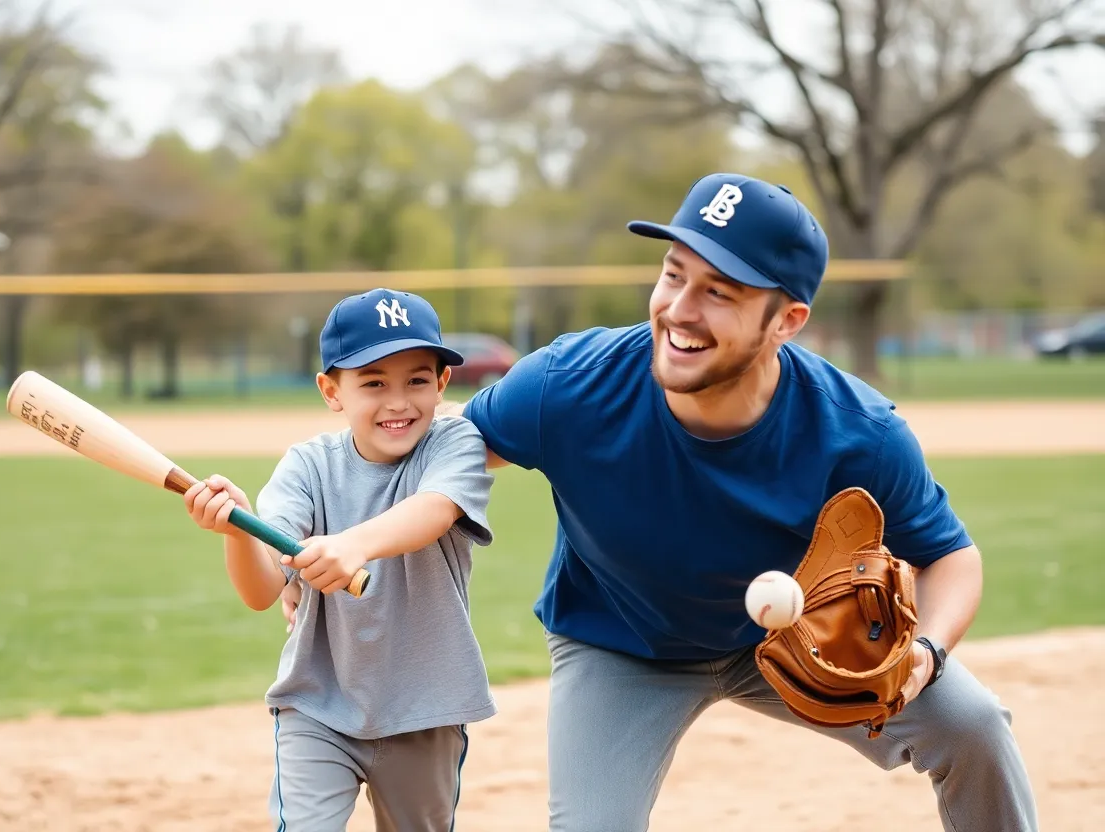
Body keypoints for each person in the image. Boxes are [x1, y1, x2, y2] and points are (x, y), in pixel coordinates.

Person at [284, 173, 1037, 830]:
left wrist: (926, 655)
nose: (680, 307)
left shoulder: (857, 433)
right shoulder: (570, 385)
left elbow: (949, 557)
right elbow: (438, 461)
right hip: (621, 648)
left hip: (792, 646)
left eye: (720, 292)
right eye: (674, 273)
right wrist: (327, 544)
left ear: (787, 322)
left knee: (973, 726)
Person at [186, 288, 497, 832]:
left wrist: (351, 544)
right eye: (374, 382)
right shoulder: (307, 467)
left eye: (417, 380)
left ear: (443, 383)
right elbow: (262, 592)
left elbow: (433, 510)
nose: (398, 402)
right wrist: (235, 532)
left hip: (426, 708)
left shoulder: (453, 443)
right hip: (316, 703)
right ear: (332, 391)